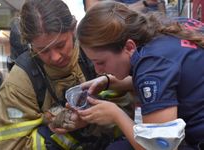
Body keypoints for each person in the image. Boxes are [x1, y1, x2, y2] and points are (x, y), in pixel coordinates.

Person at [0, 0, 134, 149]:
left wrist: (91, 118)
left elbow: (126, 113)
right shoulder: (19, 82)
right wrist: (67, 130)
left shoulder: (97, 57)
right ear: (30, 45)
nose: (55, 57)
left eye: (60, 45)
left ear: (73, 29)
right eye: (43, 50)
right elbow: (11, 144)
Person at [76, 1, 204, 149]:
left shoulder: (151, 67)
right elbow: (171, 80)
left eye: (101, 62)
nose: (98, 70)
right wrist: (108, 82)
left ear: (129, 47)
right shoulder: (168, 28)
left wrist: (115, 115)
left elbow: (158, 146)